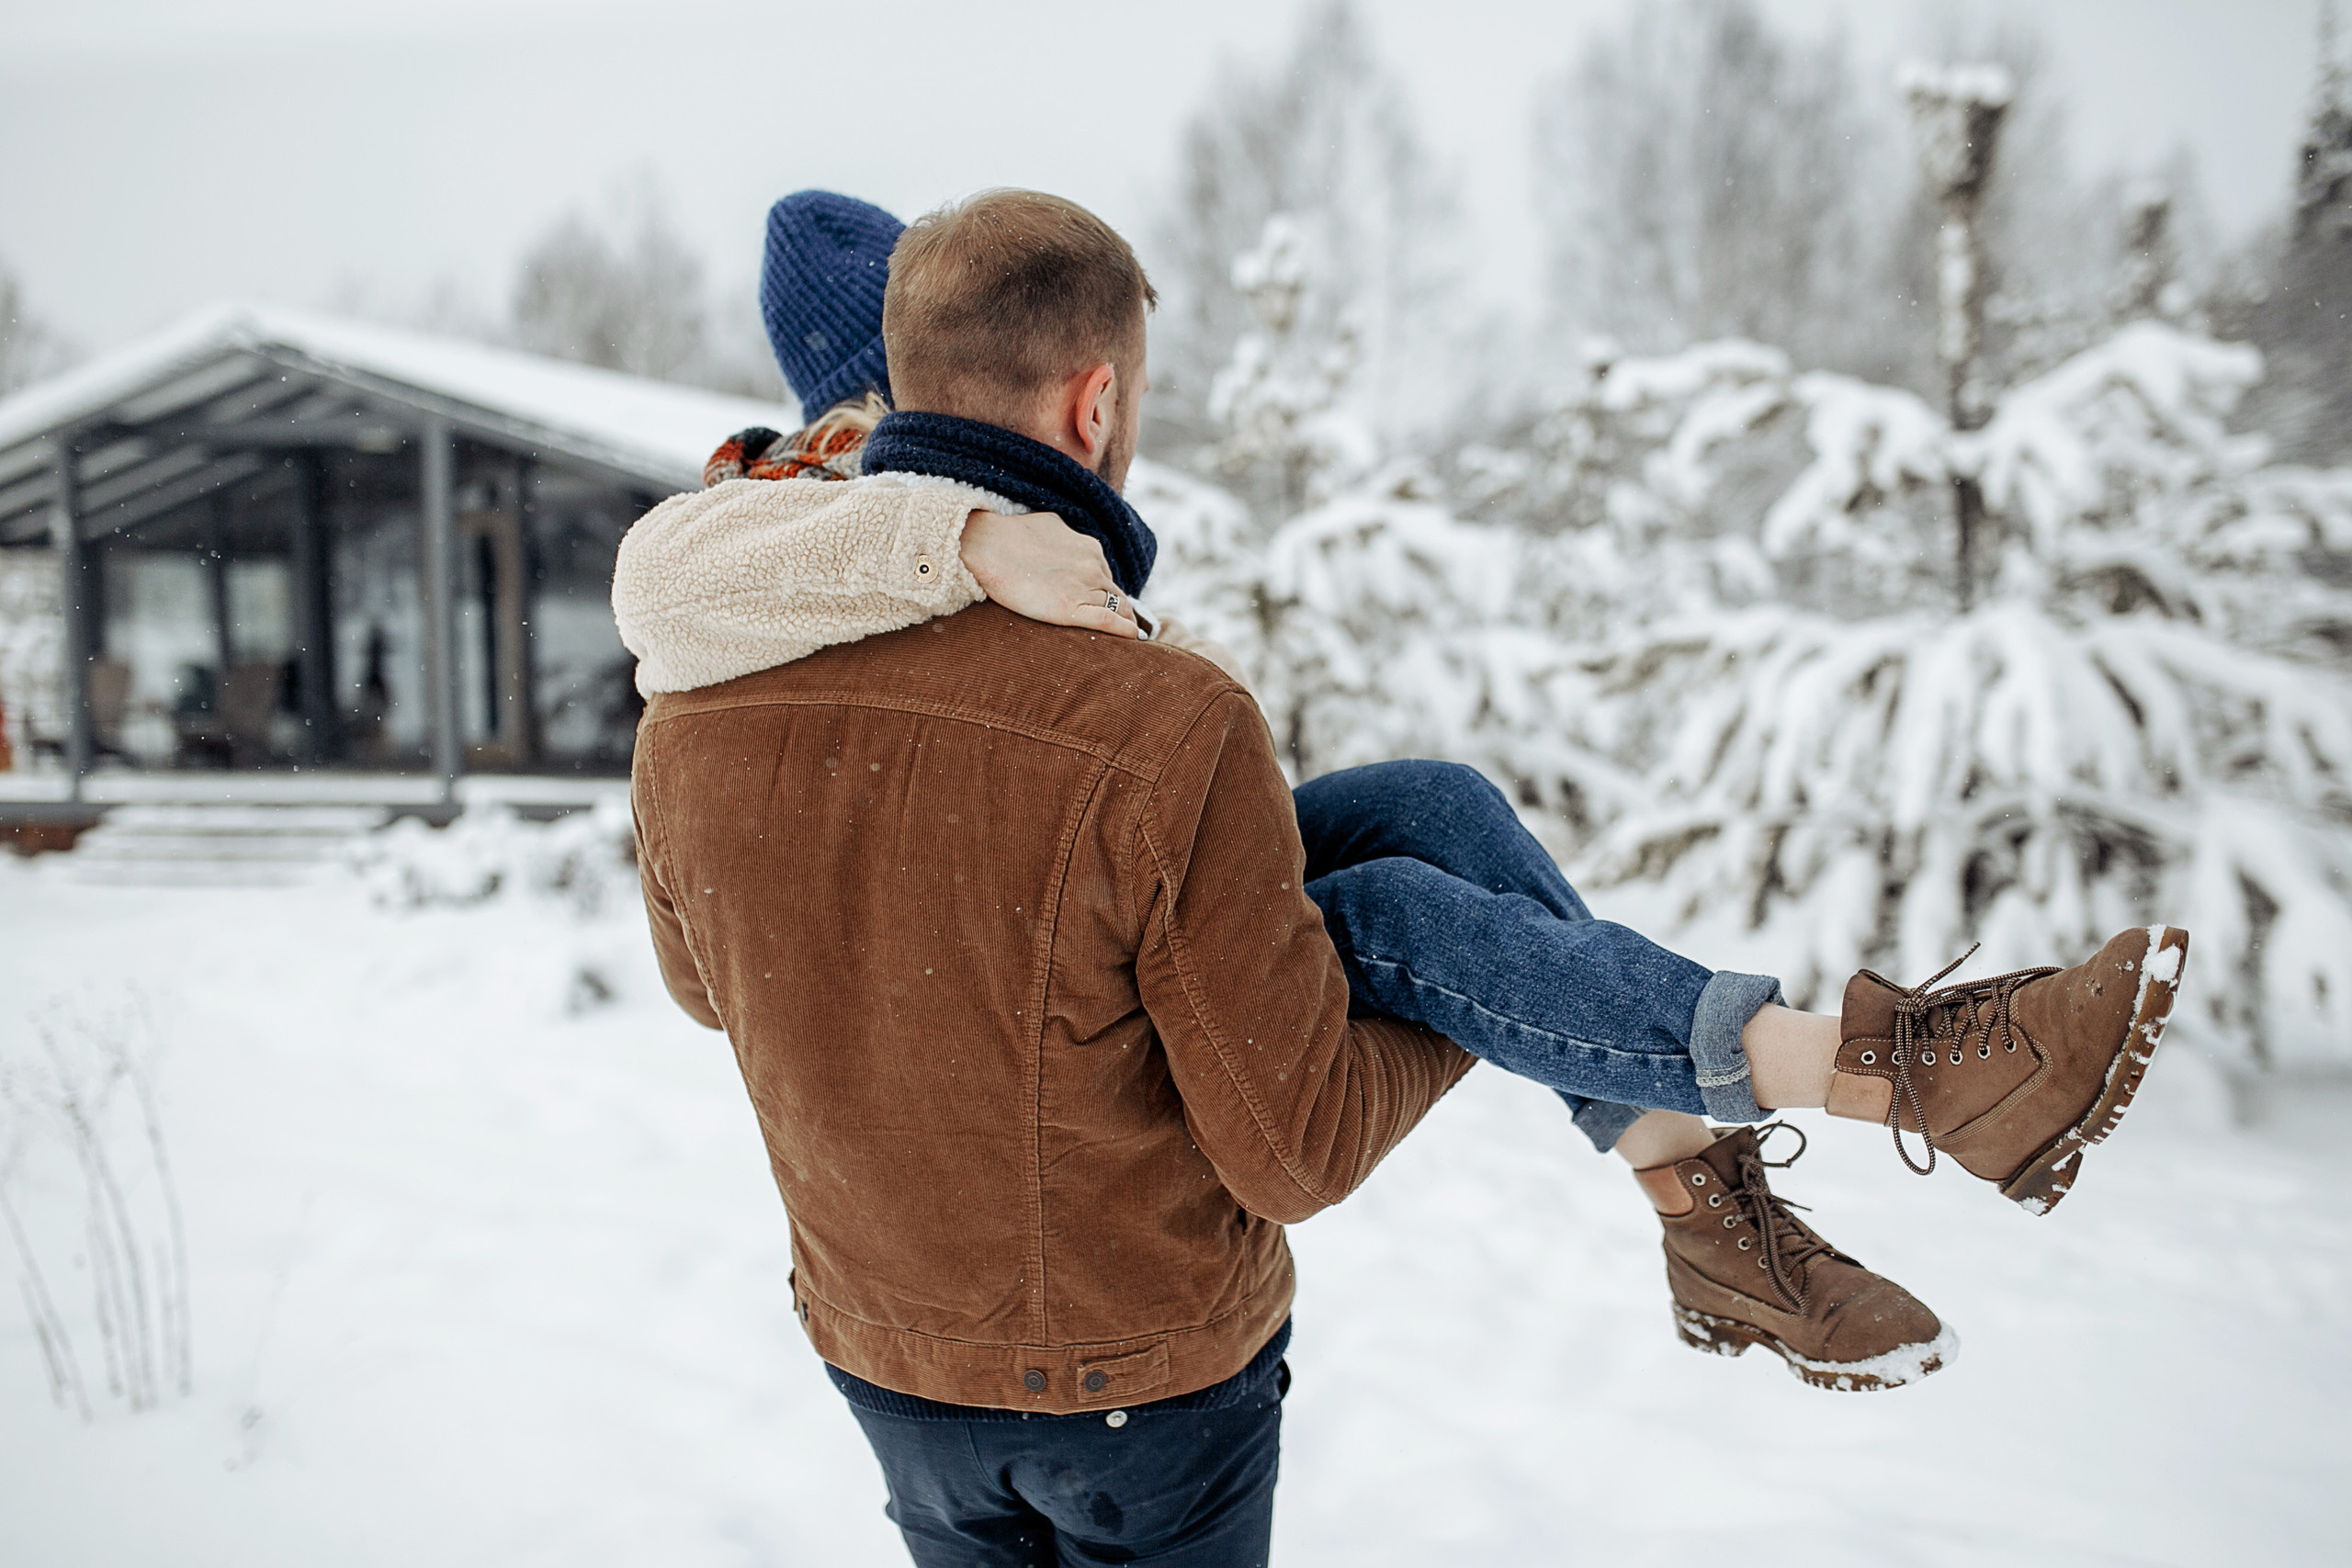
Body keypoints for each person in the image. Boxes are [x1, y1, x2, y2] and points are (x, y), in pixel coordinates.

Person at [616, 190, 2188, 1566]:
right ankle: (1887, 1068)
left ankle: (1712, 1194)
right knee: (1382, 919)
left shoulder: (691, 700)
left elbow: (706, 985)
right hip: (1136, 1382)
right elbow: (1293, 1149)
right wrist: (1412, 983)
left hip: (888, 1358)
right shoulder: (1097, 682)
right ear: (1093, 406)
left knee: (1428, 808)